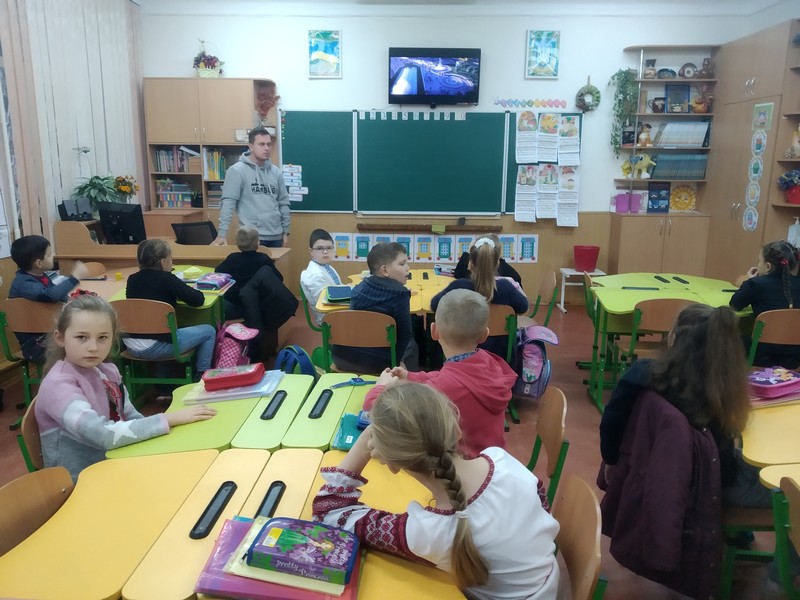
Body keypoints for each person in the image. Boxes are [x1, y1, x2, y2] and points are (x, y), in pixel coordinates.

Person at [599, 304, 792, 597]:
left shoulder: (644, 375)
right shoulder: (721, 387)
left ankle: (744, 537)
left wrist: (611, 460)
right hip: (711, 484)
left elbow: (612, 421)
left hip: (682, 479)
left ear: (674, 339)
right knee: (795, 491)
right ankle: (780, 580)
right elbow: (730, 451)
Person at [313, 383, 560, 600]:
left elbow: (328, 511)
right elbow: (541, 500)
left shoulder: (429, 531)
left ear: (392, 463)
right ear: (455, 429)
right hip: (547, 581)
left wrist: (365, 440)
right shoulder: (500, 460)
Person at [35, 294, 216, 481]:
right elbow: (103, 435)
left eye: (102, 337)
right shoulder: (58, 385)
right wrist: (169, 419)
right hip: (81, 481)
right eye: (82, 337)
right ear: (60, 338)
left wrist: (160, 442)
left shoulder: (107, 371)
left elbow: (130, 416)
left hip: (116, 462)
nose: (93, 347)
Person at [362, 289, 516, 459]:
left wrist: (380, 387)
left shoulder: (442, 389)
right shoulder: (491, 364)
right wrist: (411, 377)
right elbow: (452, 375)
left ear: (434, 331)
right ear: (484, 335)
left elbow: (382, 412)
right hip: (495, 462)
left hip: (460, 468)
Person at [124, 239, 217, 376]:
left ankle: (161, 384)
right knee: (209, 331)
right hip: (157, 347)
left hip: (130, 345)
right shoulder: (167, 278)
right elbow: (197, 300)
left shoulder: (132, 279)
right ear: (163, 262)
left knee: (164, 331)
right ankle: (202, 375)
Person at [432, 236, 529, 359]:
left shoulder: (459, 286)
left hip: (464, 353)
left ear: (470, 264)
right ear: (497, 263)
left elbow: (435, 305)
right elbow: (523, 307)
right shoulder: (506, 288)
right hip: (502, 357)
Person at [331, 242, 418, 373]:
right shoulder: (400, 294)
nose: (408, 268)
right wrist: (396, 363)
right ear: (385, 270)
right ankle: (408, 380)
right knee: (412, 344)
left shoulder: (358, 288)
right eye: (402, 264)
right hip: (378, 364)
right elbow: (404, 335)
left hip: (342, 358)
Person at [9, 235, 89, 363]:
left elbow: (58, 297)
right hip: (35, 344)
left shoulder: (41, 276)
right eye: (49, 254)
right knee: (86, 345)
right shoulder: (22, 283)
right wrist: (75, 277)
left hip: (51, 333)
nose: (53, 255)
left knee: (89, 337)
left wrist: (72, 300)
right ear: (39, 263)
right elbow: (51, 295)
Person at [212, 126, 290, 248]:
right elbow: (228, 203)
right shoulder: (237, 171)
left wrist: (285, 231)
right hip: (250, 237)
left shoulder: (276, 172)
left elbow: (283, 203)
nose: (266, 148)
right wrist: (222, 234)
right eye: (261, 144)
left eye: (269, 144)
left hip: (276, 236)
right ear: (251, 146)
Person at [730, 240, 800, 367]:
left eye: (759, 260)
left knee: (730, 338)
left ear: (768, 266)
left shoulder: (756, 284)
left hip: (762, 355)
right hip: (794, 357)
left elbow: (735, 304)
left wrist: (749, 281)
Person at [215, 225, 283, 320]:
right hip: (258, 306)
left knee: (219, 306)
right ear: (258, 243)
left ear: (237, 244)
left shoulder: (232, 258)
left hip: (234, 305)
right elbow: (279, 278)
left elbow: (217, 272)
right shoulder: (264, 259)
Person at [300, 228, 343, 326]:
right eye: (320, 248)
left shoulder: (325, 266)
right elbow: (325, 302)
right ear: (311, 251)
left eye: (329, 248)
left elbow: (337, 287)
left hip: (337, 308)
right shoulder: (314, 275)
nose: (325, 251)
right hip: (329, 318)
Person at [453, 234, 522, 286]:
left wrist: (470, 251)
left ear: (471, 264)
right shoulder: (512, 277)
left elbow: (458, 275)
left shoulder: (463, 284)